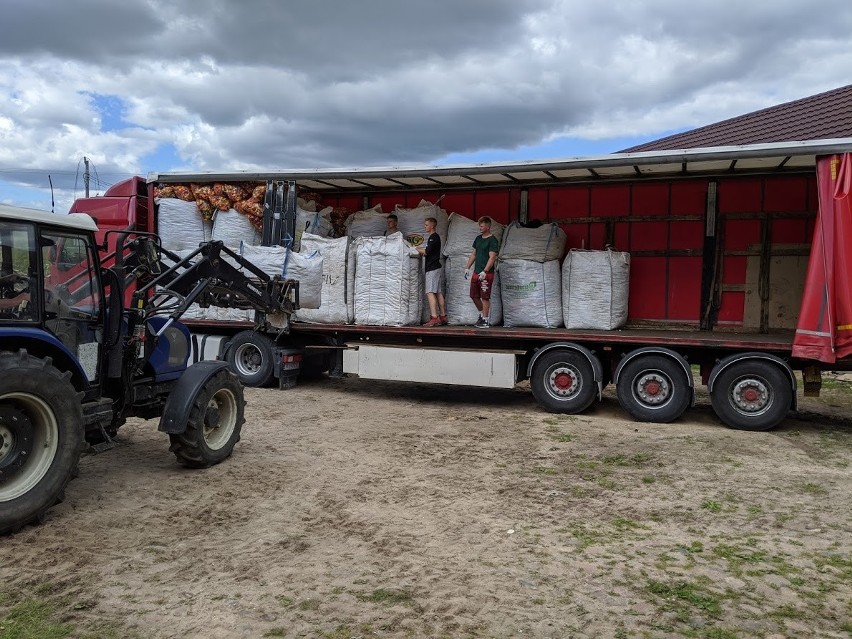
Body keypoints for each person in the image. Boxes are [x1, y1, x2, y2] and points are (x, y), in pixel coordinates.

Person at [465, 216, 499, 328]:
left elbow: (492, 257)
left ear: (488, 226)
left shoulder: (493, 240)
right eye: (479, 225)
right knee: (473, 295)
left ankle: (485, 319)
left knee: (485, 296)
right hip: (476, 271)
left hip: (486, 274)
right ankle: (481, 314)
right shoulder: (478, 238)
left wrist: (485, 271)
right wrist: (467, 267)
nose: (480, 227)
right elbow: (474, 254)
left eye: (482, 225)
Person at [416, 217, 446, 327]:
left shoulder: (434, 237)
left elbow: (427, 251)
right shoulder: (433, 238)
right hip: (436, 267)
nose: (425, 227)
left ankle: (434, 317)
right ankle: (443, 316)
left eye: (426, 225)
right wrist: (420, 248)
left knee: (430, 292)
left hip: (432, 268)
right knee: (438, 292)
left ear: (432, 226)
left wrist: (415, 249)